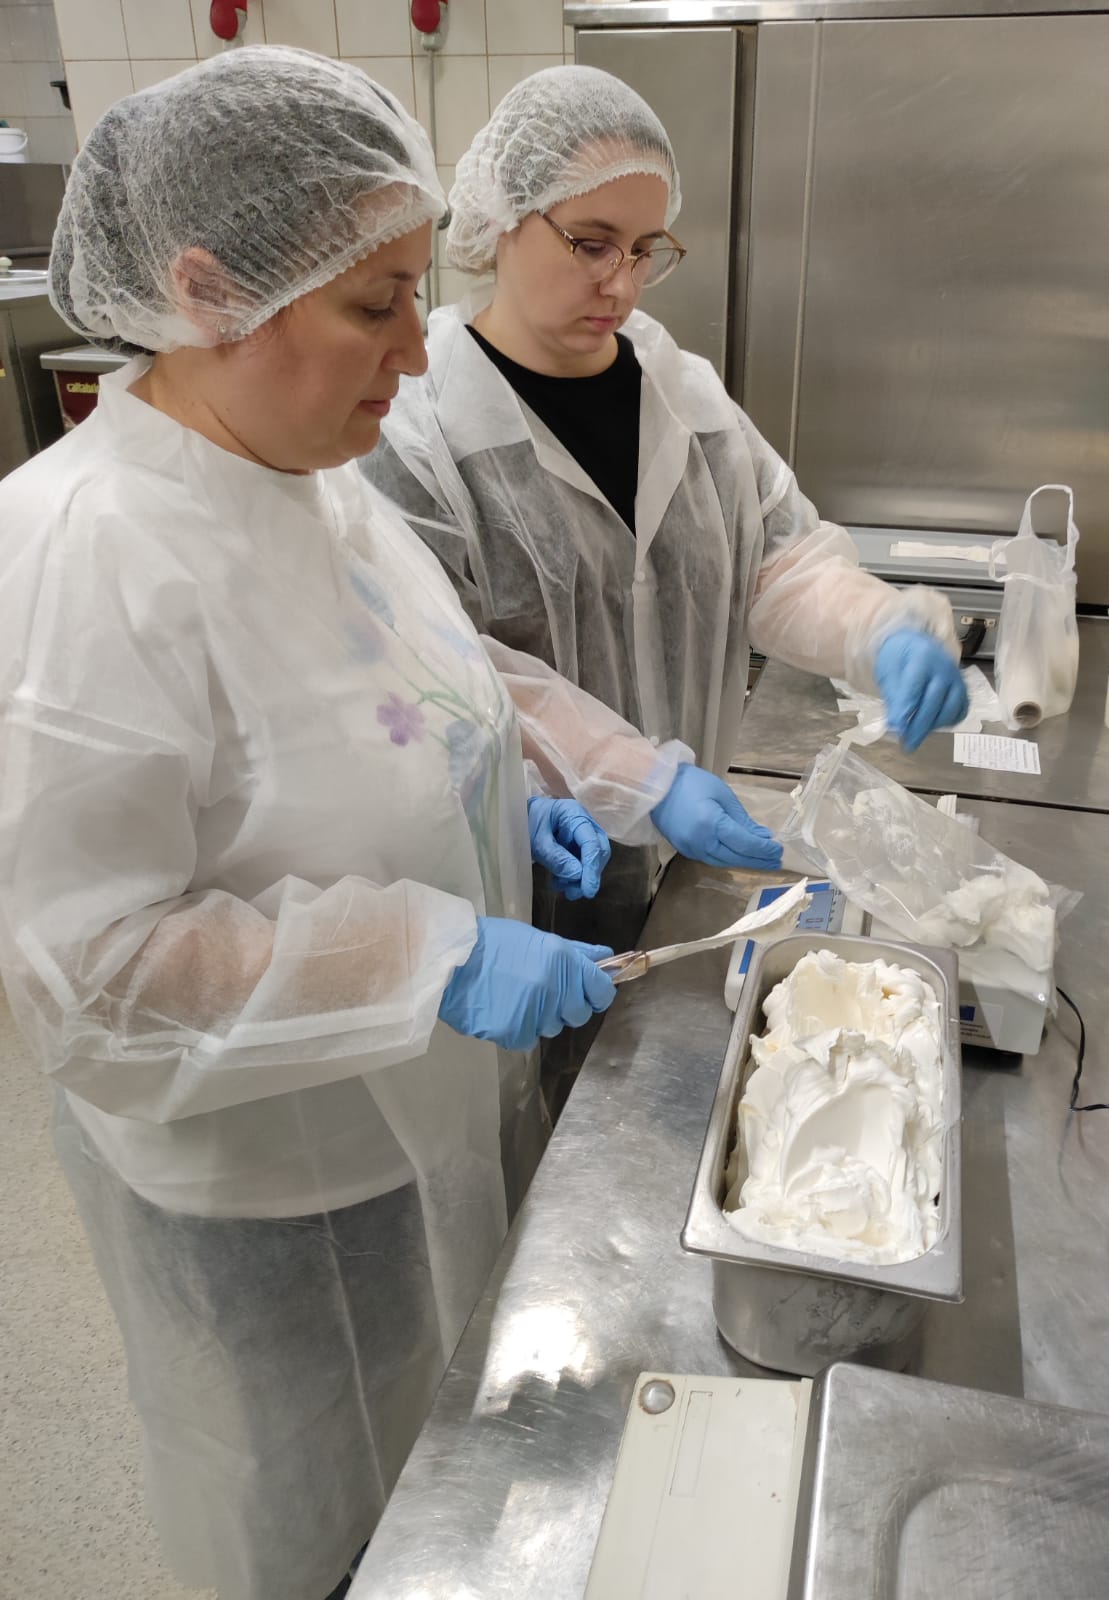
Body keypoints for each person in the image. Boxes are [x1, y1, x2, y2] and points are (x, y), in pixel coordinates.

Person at [0, 48, 787, 1600]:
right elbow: (85, 974)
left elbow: (433, 675)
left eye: (416, 296)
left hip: (409, 1119)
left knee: (431, 1484)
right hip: (273, 1186)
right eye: (376, 306)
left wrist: (586, 777)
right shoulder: (85, 558)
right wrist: (432, 953)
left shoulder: (300, 476)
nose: (417, 354)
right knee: (317, 1533)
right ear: (207, 290)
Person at [363, 65, 968, 977]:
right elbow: (440, 675)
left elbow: (778, 563)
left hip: (683, 864)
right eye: (591, 243)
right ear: (503, 219)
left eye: (645, 248)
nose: (622, 282)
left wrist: (878, 628)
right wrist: (636, 779)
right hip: (520, 876)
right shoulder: (420, 432)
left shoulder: (685, 398)